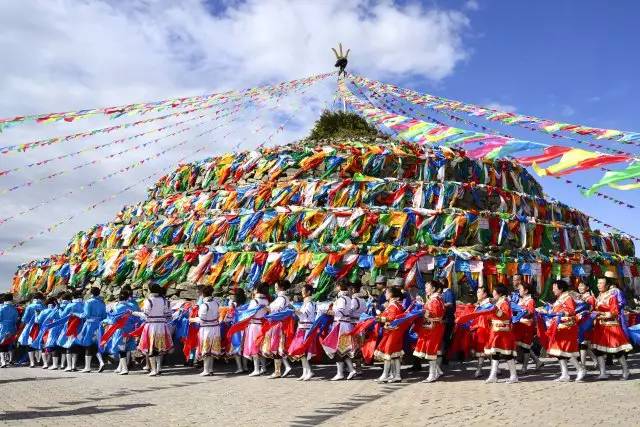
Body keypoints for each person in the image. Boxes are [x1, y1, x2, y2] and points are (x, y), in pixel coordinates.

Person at [539, 279, 585, 382]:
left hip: (567, 328)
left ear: (561, 289)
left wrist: (561, 313)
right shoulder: (559, 298)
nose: (553, 290)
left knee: (566, 351)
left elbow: (572, 310)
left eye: (555, 288)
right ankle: (565, 374)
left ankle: (580, 369)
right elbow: (556, 311)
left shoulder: (567, 297)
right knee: (559, 351)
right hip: (559, 328)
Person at [591, 276, 633, 380]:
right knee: (598, 351)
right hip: (600, 327)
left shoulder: (612, 296)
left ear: (607, 285)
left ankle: (626, 371)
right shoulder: (599, 296)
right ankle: (603, 372)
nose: (598, 285)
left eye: (601, 283)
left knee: (616, 350)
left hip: (611, 326)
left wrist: (601, 314)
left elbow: (615, 312)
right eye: (598, 283)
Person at [136, 283, 173, 376]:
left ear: (150, 290)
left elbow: (145, 315)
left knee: (150, 347)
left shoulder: (148, 301)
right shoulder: (165, 301)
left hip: (151, 326)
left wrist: (133, 313)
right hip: (162, 326)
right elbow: (169, 316)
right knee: (160, 348)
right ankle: (159, 368)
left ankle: (153, 369)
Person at [322, 282, 357, 380]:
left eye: (336, 286)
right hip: (345, 324)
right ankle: (350, 370)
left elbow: (339, 312)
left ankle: (341, 373)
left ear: (339, 286)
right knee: (343, 350)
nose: (335, 287)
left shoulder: (342, 299)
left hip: (341, 325)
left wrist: (325, 311)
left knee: (338, 349)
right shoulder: (348, 298)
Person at [484, 284, 518, 384]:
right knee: (495, 353)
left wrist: (494, 309)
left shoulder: (505, 302)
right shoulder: (500, 302)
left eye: (494, 291)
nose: (493, 293)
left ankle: (514, 375)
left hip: (503, 332)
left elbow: (505, 316)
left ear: (499, 293)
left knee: (507, 354)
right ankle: (493, 375)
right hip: (496, 331)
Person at [413, 280, 446, 383]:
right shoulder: (435, 299)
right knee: (430, 350)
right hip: (432, 328)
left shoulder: (434, 300)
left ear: (433, 289)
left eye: (427, 287)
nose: (426, 289)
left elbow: (434, 314)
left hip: (433, 328)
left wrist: (422, 310)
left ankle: (432, 375)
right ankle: (437, 372)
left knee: (431, 351)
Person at [373, 286, 407, 382]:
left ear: (392, 295)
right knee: (395, 354)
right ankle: (396, 375)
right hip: (394, 332)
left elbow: (391, 318)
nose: (385, 294)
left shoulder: (393, 305)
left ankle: (385, 375)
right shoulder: (395, 304)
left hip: (392, 332)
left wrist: (380, 318)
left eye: (387, 293)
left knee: (387, 353)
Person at [262, 281, 293, 378]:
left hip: (278, 324)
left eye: (276, 286)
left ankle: (277, 371)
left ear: (281, 287)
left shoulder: (282, 298)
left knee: (276, 346)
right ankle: (280, 369)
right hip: (277, 323)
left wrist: (267, 309)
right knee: (277, 347)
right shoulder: (282, 298)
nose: (275, 288)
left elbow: (277, 310)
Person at [288, 284, 317, 381]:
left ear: (308, 292)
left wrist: (294, 310)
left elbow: (304, 315)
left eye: (303, 290)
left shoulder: (310, 304)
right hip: (302, 328)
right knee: (301, 352)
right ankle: (305, 372)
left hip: (306, 329)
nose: (301, 292)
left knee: (303, 352)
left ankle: (308, 371)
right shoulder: (306, 303)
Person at [191, 286, 221, 376]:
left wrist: (191, 319)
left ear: (203, 294)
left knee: (206, 349)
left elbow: (202, 319)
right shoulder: (216, 303)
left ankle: (206, 370)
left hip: (206, 329)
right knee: (211, 349)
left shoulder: (204, 305)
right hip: (215, 328)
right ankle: (210, 369)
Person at [105, 290, 137, 375]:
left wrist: (105, 320)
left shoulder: (117, 307)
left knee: (121, 349)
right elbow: (136, 318)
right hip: (130, 329)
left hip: (121, 330)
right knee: (126, 348)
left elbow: (113, 320)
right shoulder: (132, 306)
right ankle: (121, 367)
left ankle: (125, 369)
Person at [513, 282, 542, 373]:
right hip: (519, 326)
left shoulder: (530, 301)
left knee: (525, 347)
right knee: (523, 346)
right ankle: (537, 361)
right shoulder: (520, 300)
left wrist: (522, 313)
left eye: (520, 289)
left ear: (526, 291)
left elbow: (530, 312)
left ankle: (524, 367)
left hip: (527, 326)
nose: (519, 291)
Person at [76, 287, 107, 373]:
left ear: (91, 293)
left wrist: (76, 314)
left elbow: (86, 314)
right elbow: (104, 316)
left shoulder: (88, 302)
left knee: (88, 344)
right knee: (97, 345)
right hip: (99, 324)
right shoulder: (102, 302)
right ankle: (101, 362)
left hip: (90, 324)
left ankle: (87, 367)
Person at [244, 283, 270, 377]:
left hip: (254, 325)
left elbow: (249, 314)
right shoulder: (266, 301)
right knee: (261, 347)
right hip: (262, 326)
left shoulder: (254, 301)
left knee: (254, 346)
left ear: (256, 290)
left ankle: (256, 369)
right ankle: (263, 368)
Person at [58, 290, 85, 372]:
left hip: (70, 325)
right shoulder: (84, 304)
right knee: (76, 345)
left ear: (73, 297)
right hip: (81, 326)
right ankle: (74, 366)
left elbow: (62, 315)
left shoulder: (70, 305)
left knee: (69, 345)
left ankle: (69, 366)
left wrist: (59, 309)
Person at [17, 292, 45, 368]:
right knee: (39, 343)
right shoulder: (44, 306)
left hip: (30, 327)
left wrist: (20, 328)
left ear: (33, 298)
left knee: (30, 343)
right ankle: (39, 361)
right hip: (41, 326)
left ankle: (32, 362)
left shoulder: (30, 306)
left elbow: (24, 319)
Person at [225, 288, 248, 373]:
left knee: (236, 346)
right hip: (245, 327)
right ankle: (245, 367)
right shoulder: (247, 305)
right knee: (244, 347)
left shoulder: (233, 305)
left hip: (236, 329)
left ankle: (239, 368)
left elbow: (229, 317)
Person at [471, 285, 492, 378]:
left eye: (479, 292)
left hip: (485, 330)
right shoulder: (480, 305)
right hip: (479, 330)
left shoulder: (488, 305)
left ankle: (479, 370)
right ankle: (496, 369)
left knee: (483, 351)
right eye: (477, 292)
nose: (477, 294)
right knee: (486, 351)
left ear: (485, 294)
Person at [577, 281, 598, 368]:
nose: (580, 287)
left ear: (587, 288)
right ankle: (596, 361)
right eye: (579, 286)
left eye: (582, 286)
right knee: (584, 344)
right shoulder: (578, 297)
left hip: (586, 322)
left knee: (583, 343)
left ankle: (583, 365)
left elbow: (591, 311)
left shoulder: (590, 298)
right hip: (579, 321)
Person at [0, 293, 19, 368]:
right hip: (12, 328)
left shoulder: (1, 308)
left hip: (2, 327)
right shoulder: (14, 309)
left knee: (1, 345)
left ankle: (3, 361)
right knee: (7, 345)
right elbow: (16, 319)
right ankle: (6, 360)